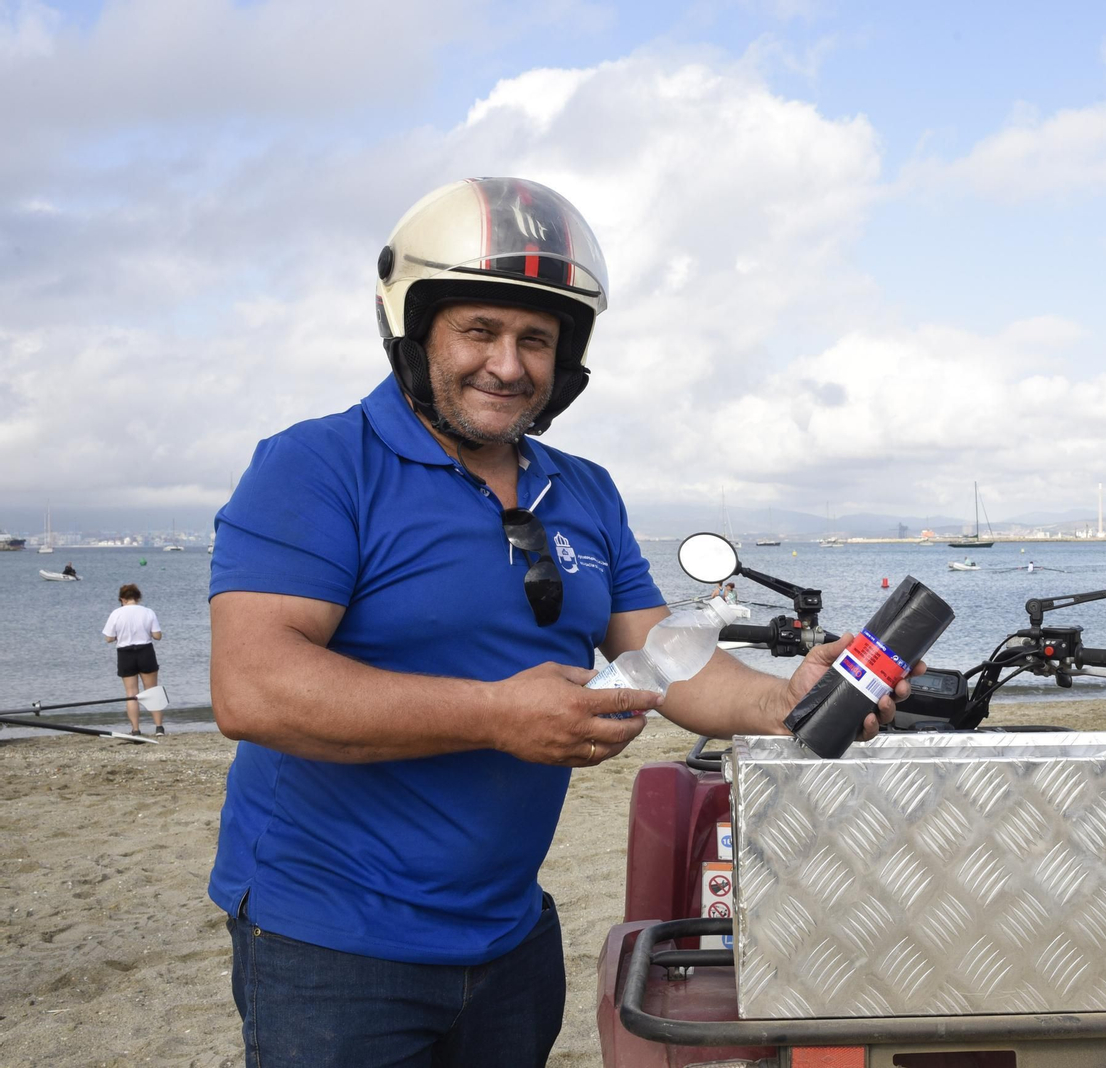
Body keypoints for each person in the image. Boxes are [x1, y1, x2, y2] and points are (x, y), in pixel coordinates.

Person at [206, 177, 914, 1068]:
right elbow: (253, 687)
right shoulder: (317, 465)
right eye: (479, 331)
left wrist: (785, 700)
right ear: (413, 331)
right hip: (329, 943)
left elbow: (660, 655)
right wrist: (496, 715)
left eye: (535, 340)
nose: (508, 366)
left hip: (511, 937)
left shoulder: (581, 489)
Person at [102, 583, 163, 734]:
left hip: (125, 653)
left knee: (131, 694)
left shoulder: (116, 613)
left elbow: (109, 638)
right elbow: (157, 636)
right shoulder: (148, 612)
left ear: (122, 599)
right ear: (138, 597)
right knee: (152, 691)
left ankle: (135, 729)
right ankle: (159, 727)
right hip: (145, 651)